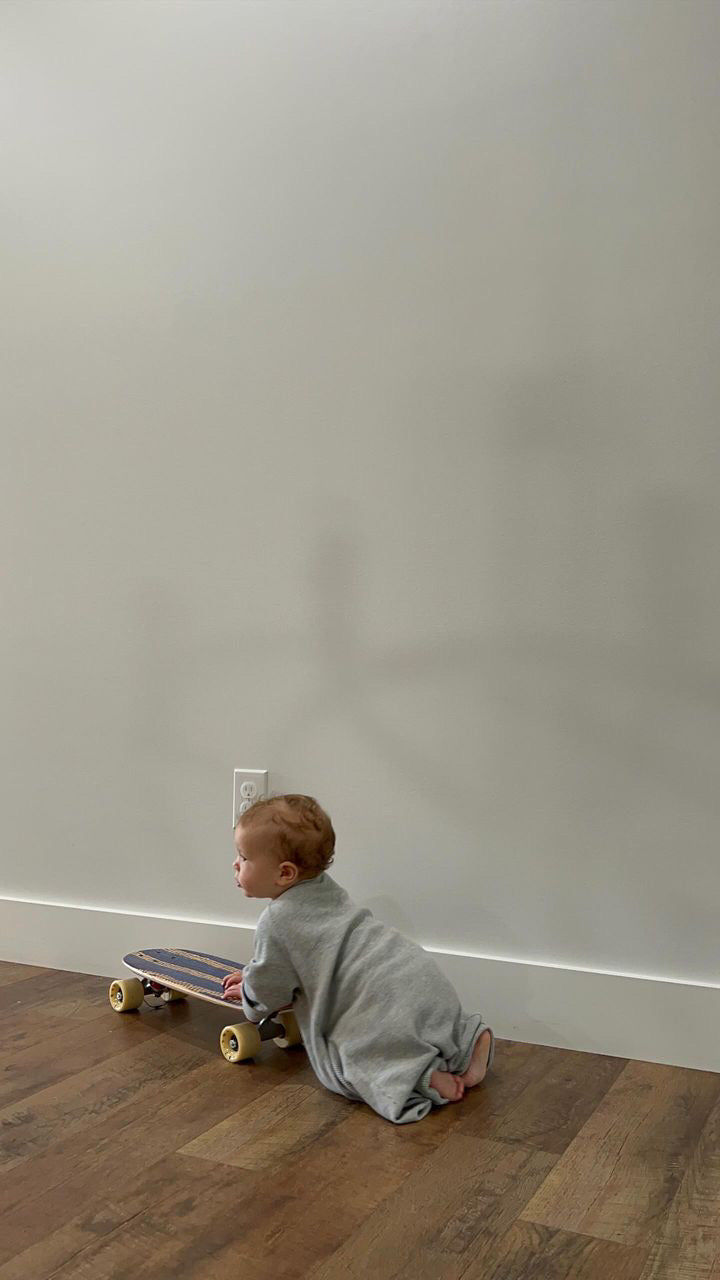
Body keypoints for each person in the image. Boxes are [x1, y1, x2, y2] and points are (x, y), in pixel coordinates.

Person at [223, 793, 494, 1124]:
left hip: (379, 998)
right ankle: (468, 1039)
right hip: (413, 971)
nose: (236, 864)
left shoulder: (277, 921)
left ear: (285, 873)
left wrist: (251, 992)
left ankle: (423, 1076)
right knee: (424, 1026)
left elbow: (271, 989)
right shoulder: (324, 888)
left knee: (355, 1061)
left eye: (243, 857)